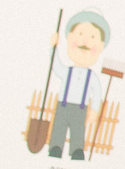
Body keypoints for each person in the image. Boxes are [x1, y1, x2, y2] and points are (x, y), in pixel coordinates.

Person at [47, 11, 110, 159]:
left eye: (92, 37)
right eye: (80, 33)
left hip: (80, 108)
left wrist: (94, 110)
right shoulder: (66, 71)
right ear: (69, 38)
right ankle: (56, 148)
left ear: (100, 46)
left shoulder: (92, 77)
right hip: (63, 105)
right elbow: (55, 66)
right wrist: (53, 48)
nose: (85, 41)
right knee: (59, 128)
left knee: (78, 129)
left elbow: (97, 93)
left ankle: (77, 150)